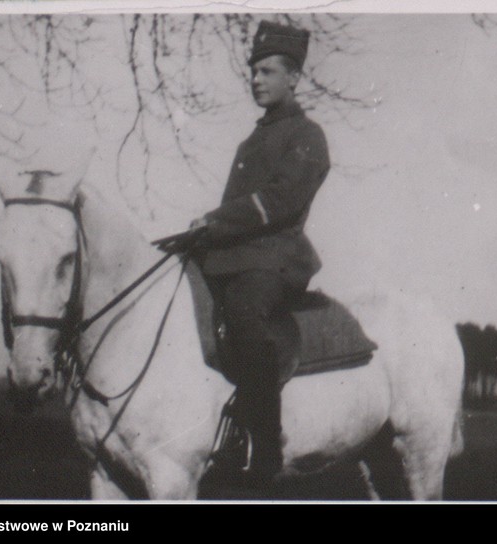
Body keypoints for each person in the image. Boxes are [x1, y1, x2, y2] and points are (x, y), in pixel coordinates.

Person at [188, 20, 330, 483]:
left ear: (294, 77)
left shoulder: (307, 135)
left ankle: (263, 446)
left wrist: (215, 221)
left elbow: (280, 201)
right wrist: (203, 233)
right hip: (234, 256)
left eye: (267, 71)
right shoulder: (250, 141)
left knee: (246, 315)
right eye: (253, 71)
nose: (256, 79)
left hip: (274, 258)